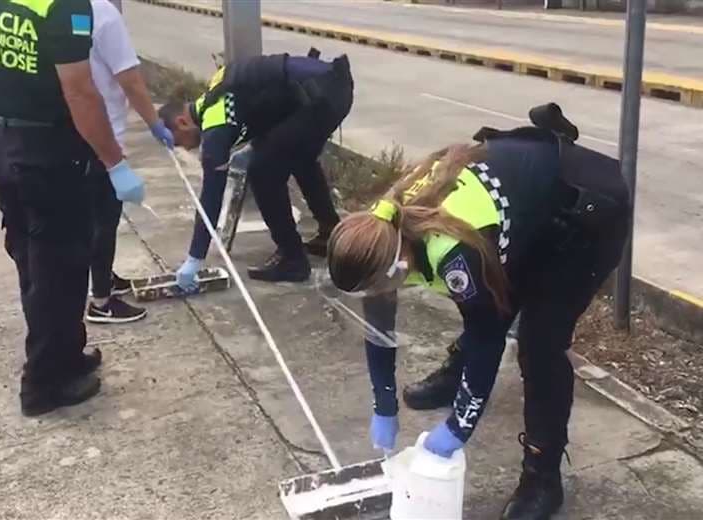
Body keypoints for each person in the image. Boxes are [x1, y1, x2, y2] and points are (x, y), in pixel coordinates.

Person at [326, 106, 629, 520]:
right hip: (525, 209)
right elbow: (378, 331)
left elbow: (487, 335)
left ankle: (542, 476)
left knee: (539, 345)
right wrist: (384, 404)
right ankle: (457, 377)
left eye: (378, 288)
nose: (377, 297)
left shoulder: (454, 254)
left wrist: (459, 427)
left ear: (396, 266)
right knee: (488, 299)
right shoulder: (381, 232)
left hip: (583, 214)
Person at [0, 0, 145, 416]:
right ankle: (44, 383)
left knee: (33, 261)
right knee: (60, 267)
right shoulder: (65, 4)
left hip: (0, 143)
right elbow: (80, 91)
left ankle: (66, 354)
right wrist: (115, 163)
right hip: (48, 151)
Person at [158, 51, 353, 287]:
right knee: (299, 157)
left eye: (178, 142)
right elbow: (264, 103)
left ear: (181, 122)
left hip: (321, 95)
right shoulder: (214, 94)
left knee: (262, 171)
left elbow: (211, 197)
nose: (184, 148)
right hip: (333, 84)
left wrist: (195, 257)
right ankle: (330, 233)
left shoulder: (216, 125)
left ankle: (292, 259)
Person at [85, 0, 173, 324]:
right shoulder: (104, 14)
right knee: (104, 219)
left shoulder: (62, 9)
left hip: (73, 131)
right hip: (104, 135)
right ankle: (101, 301)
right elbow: (130, 80)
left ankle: (103, 277)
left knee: (88, 217)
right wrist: (154, 123)